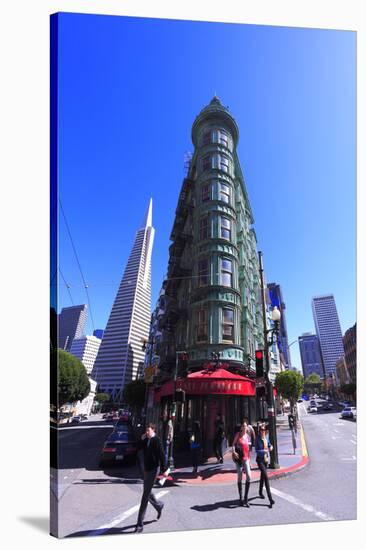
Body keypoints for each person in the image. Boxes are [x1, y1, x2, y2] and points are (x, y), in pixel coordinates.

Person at [135, 423, 170, 533]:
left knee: (145, 496)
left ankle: (139, 524)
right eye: (146, 430)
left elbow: (162, 455)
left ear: (153, 430)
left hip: (154, 470)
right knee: (148, 492)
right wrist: (141, 439)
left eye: (148, 430)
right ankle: (159, 505)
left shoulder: (157, 441)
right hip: (147, 469)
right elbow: (138, 448)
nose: (147, 432)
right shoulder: (146, 440)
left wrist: (165, 470)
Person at [232, 420, 252, 507]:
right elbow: (233, 444)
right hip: (239, 459)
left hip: (246, 458)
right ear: (241, 427)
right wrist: (234, 452)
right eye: (243, 426)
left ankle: (246, 498)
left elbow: (248, 449)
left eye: (245, 426)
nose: (244, 427)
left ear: (247, 427)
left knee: (249, 477)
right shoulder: (238, 435)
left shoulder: (248, 436)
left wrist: (250, 460)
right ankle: (240, 498)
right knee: (240, 477)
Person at [255, 423, 275, 508]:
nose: (263, 431)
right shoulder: (257, 439)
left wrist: (271, 447)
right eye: (261, 430)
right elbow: (256, 450)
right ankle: (270, 499)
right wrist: (264, 451)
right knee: (266, 477)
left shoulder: (266, 437)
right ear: (259, 431)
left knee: (262, 476)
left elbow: (270, 445)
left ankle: (260, 492)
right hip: (260, 460)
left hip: (266, 460)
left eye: (264, 430)